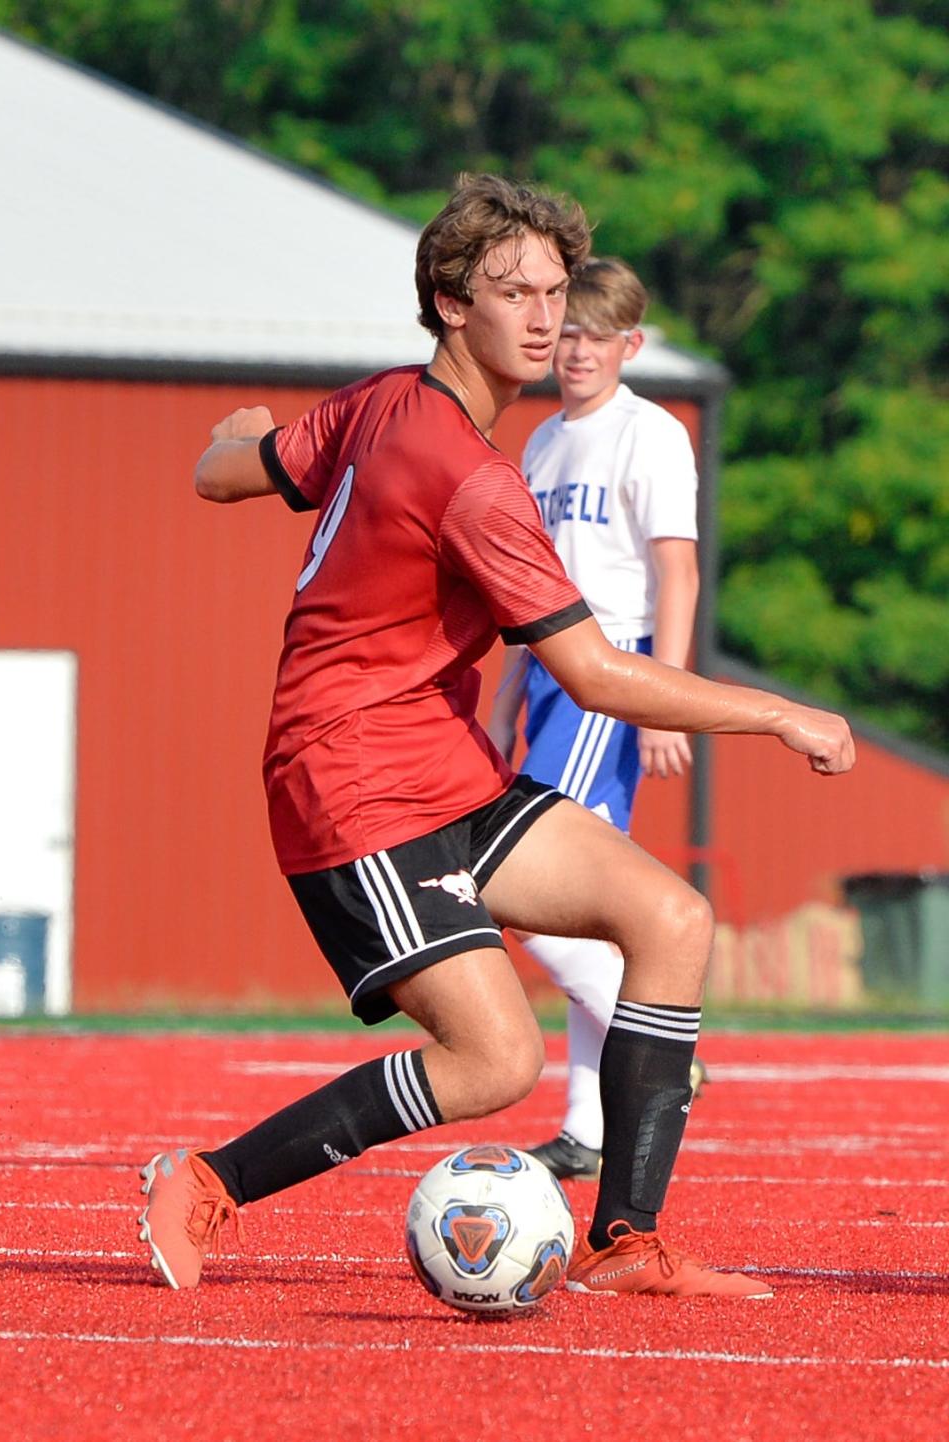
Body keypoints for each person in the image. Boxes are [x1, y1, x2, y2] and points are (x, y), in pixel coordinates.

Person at [137, 173, 854, 1299]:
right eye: (511, 289)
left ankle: (627, 1240)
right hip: (351, 780)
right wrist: (779, 711)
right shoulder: (471, 477)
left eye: (556, 291)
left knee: (670, 916)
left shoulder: (380, 405)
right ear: (447, 301)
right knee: (496, 1061)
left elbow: (226, 472)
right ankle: (208, 1179)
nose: (541, 314)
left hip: (441, 765)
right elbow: (594, 673)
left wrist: (237, 439)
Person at [488, 257, 704, 1182]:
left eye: (595, 336)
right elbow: (523, 591)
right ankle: (590, 1126)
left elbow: (677, 573)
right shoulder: (539, 442)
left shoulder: (647, 434)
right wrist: (504, 702)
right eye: (565, 333)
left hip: (611, 676)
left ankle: (665, 1046)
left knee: (528, 892)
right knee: (588, 906)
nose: (576, 350)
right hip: (548, 681)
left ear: (632, 344)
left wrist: (666, 697)